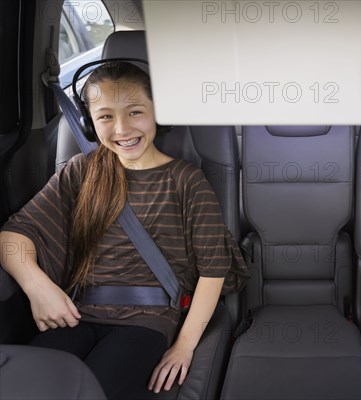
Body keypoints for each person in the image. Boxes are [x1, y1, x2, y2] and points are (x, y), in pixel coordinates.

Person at [0, 61, 247, 399]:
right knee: (26, 383)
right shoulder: (82, 171)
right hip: (77, 313)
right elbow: (14, 234)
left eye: (135, 112)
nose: (121, 128)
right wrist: (37, 286)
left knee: (91, 390)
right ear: (89, 123)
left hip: (148, 320)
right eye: (105, 116)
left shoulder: (186, 180)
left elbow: (213, 269)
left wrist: (184, 346)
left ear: (157, 111)